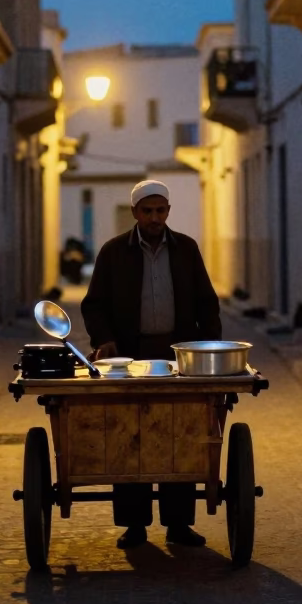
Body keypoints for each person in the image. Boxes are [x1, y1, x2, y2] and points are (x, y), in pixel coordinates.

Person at [81, 179, 222, 550]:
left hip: (179, 359)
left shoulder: (187, 250)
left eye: (161, 211)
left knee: (182, 436)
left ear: (168, 212)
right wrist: (104, 340)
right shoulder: (113, 253)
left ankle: (178, 525)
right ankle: (134, 525)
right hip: (130, 358)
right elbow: (93, 305)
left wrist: (210, 349)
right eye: (148, 211)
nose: (155, 218)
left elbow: (207, 303)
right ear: (135, 213)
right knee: (131, 437)